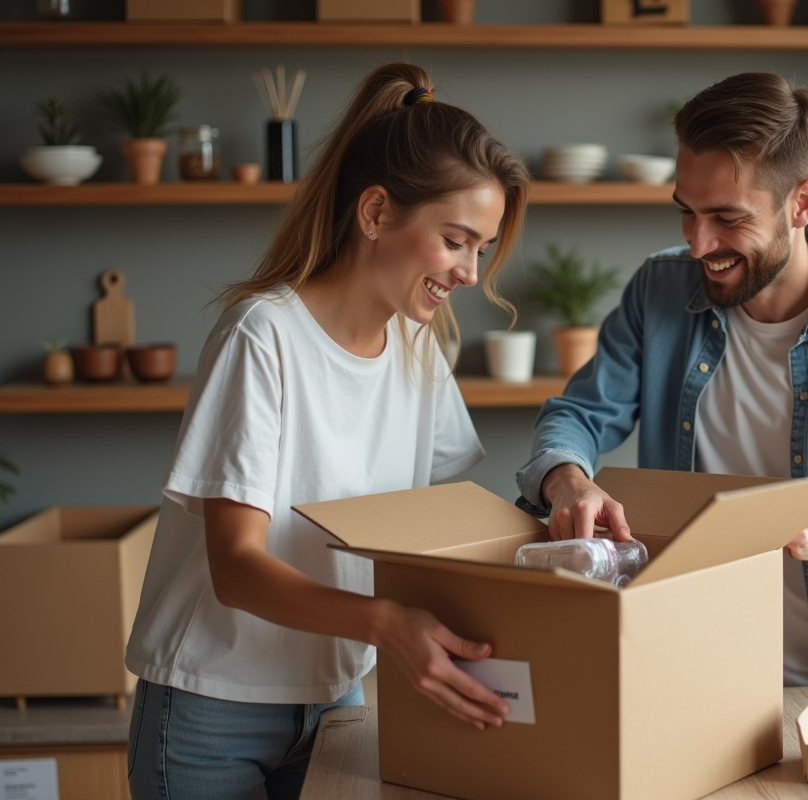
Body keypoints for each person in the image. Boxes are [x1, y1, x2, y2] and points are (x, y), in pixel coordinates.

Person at [124, 63, 530, 800]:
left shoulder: (419, 349)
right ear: (375, 213)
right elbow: (236, 565)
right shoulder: (264, 337)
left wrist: (556, 547)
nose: (471, 273)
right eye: (455, 240)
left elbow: (442, 520)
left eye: (482, 247)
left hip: (339, 692)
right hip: (213, 705)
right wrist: (388, 623)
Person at [515, 72, 808, 686]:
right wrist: (567, 481)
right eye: (687, 213)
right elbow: (582, 412)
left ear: (802, 203)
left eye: (727, 218)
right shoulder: (660, 289)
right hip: (692, 671)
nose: (701, 244)